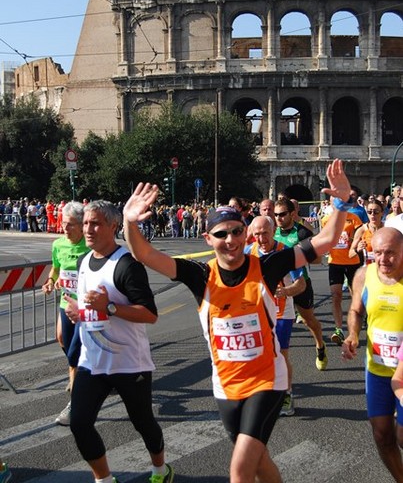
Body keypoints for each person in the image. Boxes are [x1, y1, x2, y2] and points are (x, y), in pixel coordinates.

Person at [123, 159, 352, 483]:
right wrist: (128, 221)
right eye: (221, 234)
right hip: (226, 387)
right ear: (208, 238)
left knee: (240, 469)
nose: (229, 239)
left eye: (235, 232)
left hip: (267, 380)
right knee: (259, 462)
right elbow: (144, 254)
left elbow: (325, 241)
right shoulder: (199, 276)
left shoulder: (269, 266)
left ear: (245, 234)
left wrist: (341, 203)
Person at [64, 200, 173, 483]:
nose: (88, 229)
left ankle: (160, 469)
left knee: (143, 423)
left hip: (128, 362)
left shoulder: (126, 264)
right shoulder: (83, 260)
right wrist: (77, 311)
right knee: (79, 423)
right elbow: (90, 305)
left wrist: (109, 307)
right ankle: (104, 479)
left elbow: (150, 314)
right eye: (86, 223)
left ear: (113, 226)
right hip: (92, 362)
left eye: (96, 223)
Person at [342, 227, 403, 483]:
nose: (383, 259)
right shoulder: (364, 275)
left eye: (390, 253)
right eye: (378, 252)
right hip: (377, 369)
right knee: (382, 435)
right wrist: (353, 335)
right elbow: (356, 311)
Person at [244, 216, 306, 417]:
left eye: (265, 233)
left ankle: (286, 394)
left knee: (280, 355)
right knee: (255, 355)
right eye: (257, 234)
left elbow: (302, 284)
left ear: (273, 232)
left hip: (281, 312)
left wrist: (286, 291)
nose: (261, 238)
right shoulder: (248, 252)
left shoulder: (288, 253)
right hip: (254, 313)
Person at [42, 201, 90, 426]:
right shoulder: (58, 244)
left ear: (82, 226)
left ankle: (75, 404)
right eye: (63, 223)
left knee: (73, 355)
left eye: (70, 224)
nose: (64, 228)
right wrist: (51, 280)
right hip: (65, 303)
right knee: (61, 338)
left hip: (86, 309)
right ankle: (84, 370)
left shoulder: (90, 246)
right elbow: (56, 268)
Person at [273, 198, 328, 371]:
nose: (279, 218)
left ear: (291, 214)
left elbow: (319, 259)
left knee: (308, 320)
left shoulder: (303, 233)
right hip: (279, 286)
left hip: (300, 283)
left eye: (282, 214)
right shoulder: (272, 232)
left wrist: (299, 254)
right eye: (276, 215)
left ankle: (320, 345)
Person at [321, 201, 362, 346]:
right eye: (334, 203)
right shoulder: (326, 220)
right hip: (335, 262)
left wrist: (351, 241)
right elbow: (323, 238)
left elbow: (360, 236)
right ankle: (338, 329)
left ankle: (355, 326)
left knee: (355, 296)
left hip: (352, 262)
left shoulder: (354, 218)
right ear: (331, 205)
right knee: (336, 296)